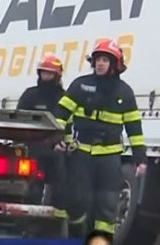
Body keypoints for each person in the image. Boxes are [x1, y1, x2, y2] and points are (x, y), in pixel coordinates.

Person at [52, 39, 147, 237]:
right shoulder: (80, 85)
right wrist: (57, 138)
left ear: (115, 65)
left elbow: (134, 128)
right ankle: (77, 236)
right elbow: (60, 114)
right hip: (81, 154)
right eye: (97, 60)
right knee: (78, 202)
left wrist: (140, 158)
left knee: (107, 205)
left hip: (109, 159)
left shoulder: (125, 92)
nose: (100, 64)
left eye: (105, 60)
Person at [16, 54, 71, 218]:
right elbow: (18, 120)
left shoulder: (64, 97)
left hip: (57, 148)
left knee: (61, 186)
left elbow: (70, 123)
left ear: (57, 76)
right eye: (43, 72)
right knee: (32, 187)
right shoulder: (30, 95)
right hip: (33, 147)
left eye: (50, 73)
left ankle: (55, 221)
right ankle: (27, 222)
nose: (46, 76)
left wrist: (63, 143)